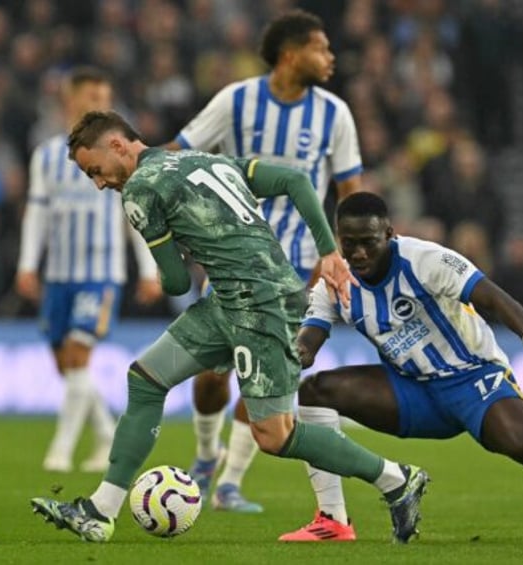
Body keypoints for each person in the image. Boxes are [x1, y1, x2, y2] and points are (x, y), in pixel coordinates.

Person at [30, 111, 428, 544]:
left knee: (275, 436)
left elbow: (177, 282)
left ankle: (394, 478)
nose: (99, 183)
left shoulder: (141, 190)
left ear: (119, 147)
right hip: (234, 299)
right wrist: (328, 252)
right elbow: (295, 181)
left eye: (96, 170)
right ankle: (100, 511)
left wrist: (166, 260)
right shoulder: (206, 162)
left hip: (260, 307)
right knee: (145, 378)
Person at [278, 192, 523, 545]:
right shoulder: (335, 280)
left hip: (474, 377)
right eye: (350, 244)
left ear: (390, 234)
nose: (359, 254)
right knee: (314, 391)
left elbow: (495, 298)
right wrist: (289, 355)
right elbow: (309, 342)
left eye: (369, 243)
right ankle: (333, 519)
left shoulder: (425, 260)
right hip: (411, 390)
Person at [162, 9, 363, 512]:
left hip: (297, 270)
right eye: (322, 48)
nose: (330, 57)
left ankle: (229, 482)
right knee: (212, 374)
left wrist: (335, 256)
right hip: (232, 261)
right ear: (292, 55)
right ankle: (207, 455)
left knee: (265, 378)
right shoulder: (236, 101)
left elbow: (350, 191)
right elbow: (178, 154)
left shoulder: (335, 113)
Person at [16, 67, 162, 473]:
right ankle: (104, 434)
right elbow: (37, 214)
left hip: (101, 272)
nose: (100, 102)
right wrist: (28, 265)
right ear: (72, 99)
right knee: (66, 365)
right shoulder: (46, 155)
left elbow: (136, 214)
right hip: (58, 275)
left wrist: (148, 270)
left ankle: (60, 451)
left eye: (105, 95)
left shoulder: (117, 155)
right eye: (93, 95)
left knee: (79, 354)